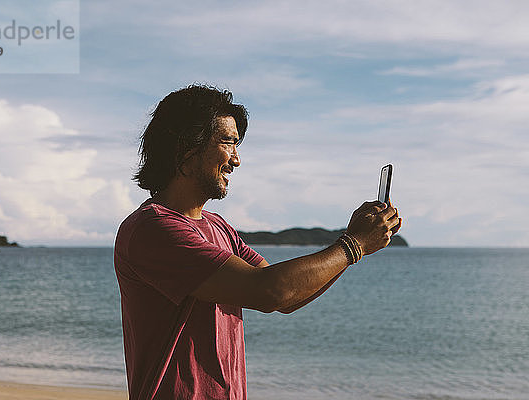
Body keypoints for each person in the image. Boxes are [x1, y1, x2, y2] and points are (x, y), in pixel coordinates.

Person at [114, 84, 402, 400]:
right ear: (186, 147)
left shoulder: (218, 227)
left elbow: (288, 298)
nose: (236, 160)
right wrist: (353, 245)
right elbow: (269, 290)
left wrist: (356, 246)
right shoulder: (152, 229)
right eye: (227, 143)